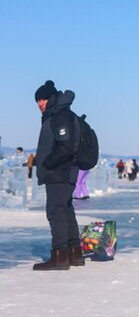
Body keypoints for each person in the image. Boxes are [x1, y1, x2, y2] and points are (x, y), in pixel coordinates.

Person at [32, 80, 84, 270]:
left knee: (56, 212)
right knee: (66, 210)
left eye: (43, 99)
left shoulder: (61, 116)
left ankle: (60, 256)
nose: (40, 103)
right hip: (64, 172)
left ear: (52, 98)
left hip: (59, 172)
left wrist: (47, 164)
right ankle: (74, 253)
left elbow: (66, 147)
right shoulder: (57, 114)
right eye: (38, 100)